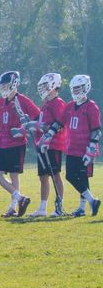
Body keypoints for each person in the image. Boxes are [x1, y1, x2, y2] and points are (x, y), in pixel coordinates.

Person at [40, 74, 102, 217]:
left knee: (83, 177)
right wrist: (48, 136)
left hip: (85, 149)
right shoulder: (69, 106)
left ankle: (82, 207)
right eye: (74, 88)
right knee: (70, 176)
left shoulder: (91, 106)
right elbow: (58, 123)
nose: (76, 91)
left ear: (86, 87)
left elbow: (96, 130)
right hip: (71, 148)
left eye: (79, 88)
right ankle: (92, 201)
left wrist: (91, 149)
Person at [0, 71, 37, 217]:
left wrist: (22, 130)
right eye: (2, 86)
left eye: (6, 85)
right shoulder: (1, 101)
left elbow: (37, 118)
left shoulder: (23, 100)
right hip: (2, 143)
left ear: (14, 84)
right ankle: (20, 198)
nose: (3, 89)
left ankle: (13, 207)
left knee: (14, 176)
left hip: (16, 144)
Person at [33, 73, 66, 216]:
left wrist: (42, 127)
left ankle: (59, 206)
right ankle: (42, 208)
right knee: (43, 177)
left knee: (55, 175)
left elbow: (60, 124)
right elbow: (43, 123)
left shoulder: (58, 103)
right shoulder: (45, 104)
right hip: (42, 144)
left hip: (54, 144)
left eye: (45, 86)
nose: (43, 89)